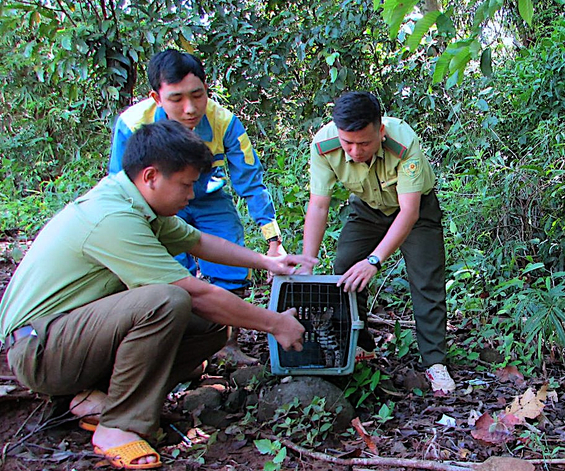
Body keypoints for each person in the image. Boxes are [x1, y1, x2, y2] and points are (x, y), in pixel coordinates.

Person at [0, 120, 316, 469]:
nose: (191, 195)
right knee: (168, 301)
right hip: (41, 351)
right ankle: (118, 427)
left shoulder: (138, 202)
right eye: (186, 184)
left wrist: (267, 262)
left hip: (70, 339)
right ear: (151, 176)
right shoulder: (112, 217)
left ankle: (99, 397)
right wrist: (275, 324)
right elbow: (193, 294)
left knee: (213, 326)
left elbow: (197, 241)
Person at [109, 49, 283, 365]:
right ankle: (183, 349)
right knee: (170, 276)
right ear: (156, 97)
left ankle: (227, 344)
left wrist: (273, 240)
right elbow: (120, 185)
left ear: (207, 90)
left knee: (230, 266)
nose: (190, 109)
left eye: (197, 95)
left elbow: (250, 181)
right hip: (159, 206)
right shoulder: (132, 124)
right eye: (176, 99)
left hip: (210, 199)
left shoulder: (224, 123)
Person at [298, 91, 455, 394]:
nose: (355, 151)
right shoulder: (323, 145)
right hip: (367, 210)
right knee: (344, 267)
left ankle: (435, 362)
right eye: (348, 143)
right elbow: (318, 205)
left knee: (426, 279)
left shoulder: (402, 141)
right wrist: (307, 260)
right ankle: (361, 345)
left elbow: (409, 212)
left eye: (364, 143)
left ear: (380, 132)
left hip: (415, 210)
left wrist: (374, 260)